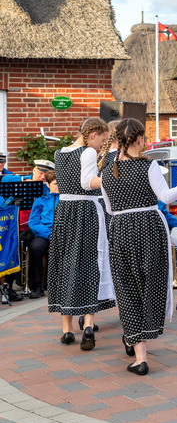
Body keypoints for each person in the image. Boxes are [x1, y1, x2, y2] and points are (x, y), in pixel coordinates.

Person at [101, 119, 177, 375]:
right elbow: (166, 197)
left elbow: (110, 209)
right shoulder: (149, 165)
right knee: (152, 282)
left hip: (120, 228)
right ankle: (148, 328)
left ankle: (140, 356)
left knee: (127, 288)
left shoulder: (106, 171)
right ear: (137, 139)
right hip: (147, 226)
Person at [48, 118, 115, 349]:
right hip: (85, 211)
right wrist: (113, 177)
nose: (101, 145)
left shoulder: (60, 153)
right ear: (93, 133)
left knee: (65, 263)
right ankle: (88, 324)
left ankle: (66, 329)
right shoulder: (87, 152)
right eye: (102, 139)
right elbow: (87, 183)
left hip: (64, 211)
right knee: (89, 264)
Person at [25, 167, 58, 299]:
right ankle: (38, 285)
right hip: (45, 234)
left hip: (62, 234)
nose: (58, 186)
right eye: (55, 184)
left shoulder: (67, 200)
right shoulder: (40, 201)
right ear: (48, 184)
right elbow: (33, 222)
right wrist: (49, 234)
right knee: (35, 247)